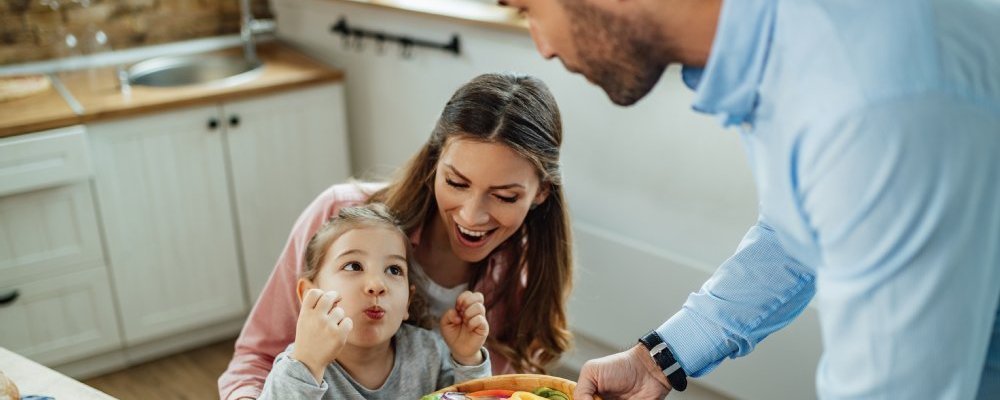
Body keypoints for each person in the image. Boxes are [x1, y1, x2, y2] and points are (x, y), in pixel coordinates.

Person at [499, 0, 1000, 398]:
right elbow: (798, 230)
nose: (541, 47)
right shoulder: (792, 46)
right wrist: (657, 358)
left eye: (527, 9)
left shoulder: (871, 99)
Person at [219, 73, 574, 400]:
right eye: (456, 182)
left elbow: (484, 391)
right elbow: (255, 358)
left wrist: (469, 359)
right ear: (436, 163)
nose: (471, 214)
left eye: (504, 196)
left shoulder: (521, 279)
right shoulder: (341, 218)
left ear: (541, 192)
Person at [258, 204, 491, 399]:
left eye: (393, 269)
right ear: (310, 294)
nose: (377, 285)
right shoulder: (299, 365)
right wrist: (307, 364)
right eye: (353, 266)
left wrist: (468, 358)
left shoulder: (430, 353)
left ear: (408, 302)